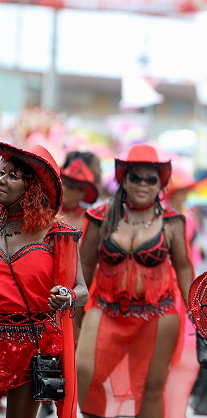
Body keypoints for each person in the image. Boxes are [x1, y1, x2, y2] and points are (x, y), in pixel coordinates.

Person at [76, 144, 195, 418]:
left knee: (151, 388)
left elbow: (184, 269)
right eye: (136, 177)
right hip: (105, 309)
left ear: (160, 184)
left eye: (150, 179)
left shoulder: (173, 222)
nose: (143, 184)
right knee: (85, 373)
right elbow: (85, 265)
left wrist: (196, 312)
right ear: (124, 180)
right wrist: (76, 313)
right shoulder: (99, 218)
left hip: (158, 314)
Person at [0, 143, 88, 418]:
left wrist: (67, 296)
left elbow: (82, 290)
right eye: (2, 173)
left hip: (32, 343)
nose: (2, 180)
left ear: (33, 187)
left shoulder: (58, 233)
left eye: (13, 176)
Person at [60, 158, 98, 229]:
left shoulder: (88, 219)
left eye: (71, 187)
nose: (64, 188)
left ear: (83, 193)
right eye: (63, 182)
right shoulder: (45, 210)